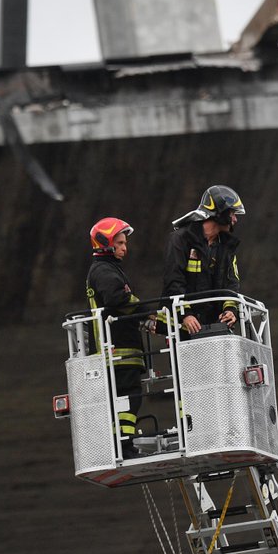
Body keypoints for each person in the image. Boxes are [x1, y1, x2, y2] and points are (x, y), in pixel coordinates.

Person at [86, 217, 146, 457]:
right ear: (106, 243)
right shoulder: (104, 270)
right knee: (129, 397)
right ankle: (124, 445)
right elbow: (116, 299)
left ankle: (124, 443)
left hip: (120, 349)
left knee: (127, 398)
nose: (125, 248)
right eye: (120, 243)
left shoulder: (107, 269)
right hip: (118, 349)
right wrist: (147, 312)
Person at [163, 185, 245, 336]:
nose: (235, 219)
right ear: (219, 212)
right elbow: (173, 281)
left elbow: (231, 283)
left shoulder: (227, 246)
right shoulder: (181, 239)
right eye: (232, 213)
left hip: (215, 326)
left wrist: (230, 310)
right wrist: (185, 314)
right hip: (184, 327)